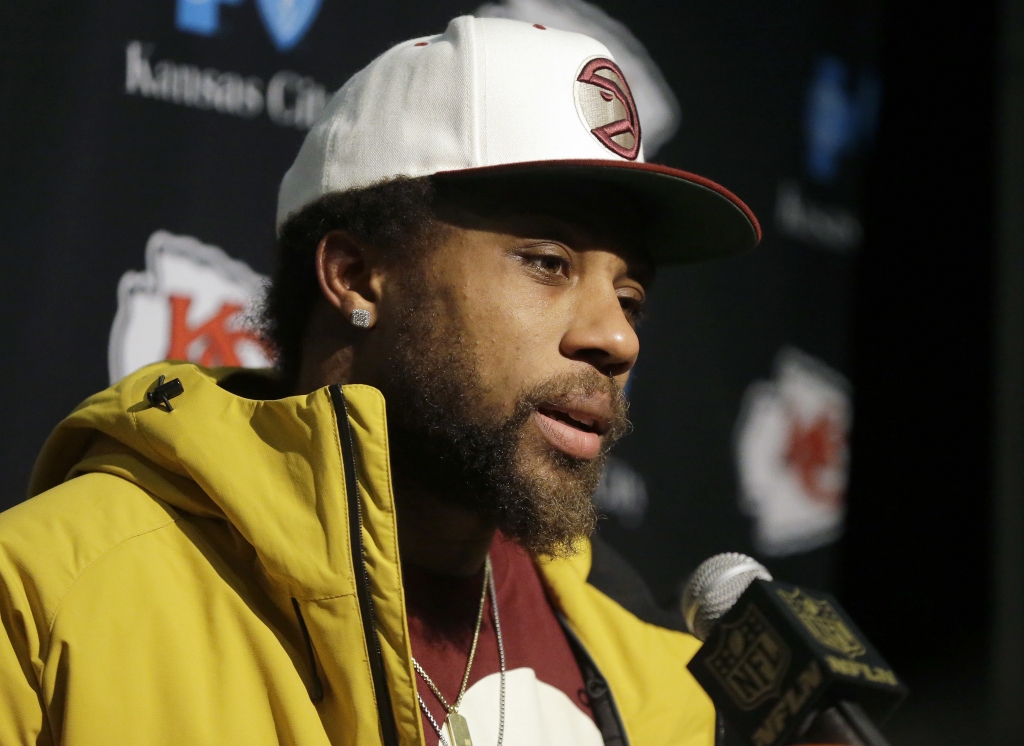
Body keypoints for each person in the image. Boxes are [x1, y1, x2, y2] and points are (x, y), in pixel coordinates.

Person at [0, 16, 759, 746]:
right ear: (357, 277)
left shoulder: (659, 678)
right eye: (547, 263)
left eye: (631, 299)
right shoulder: (48, 595)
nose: (617, 338)